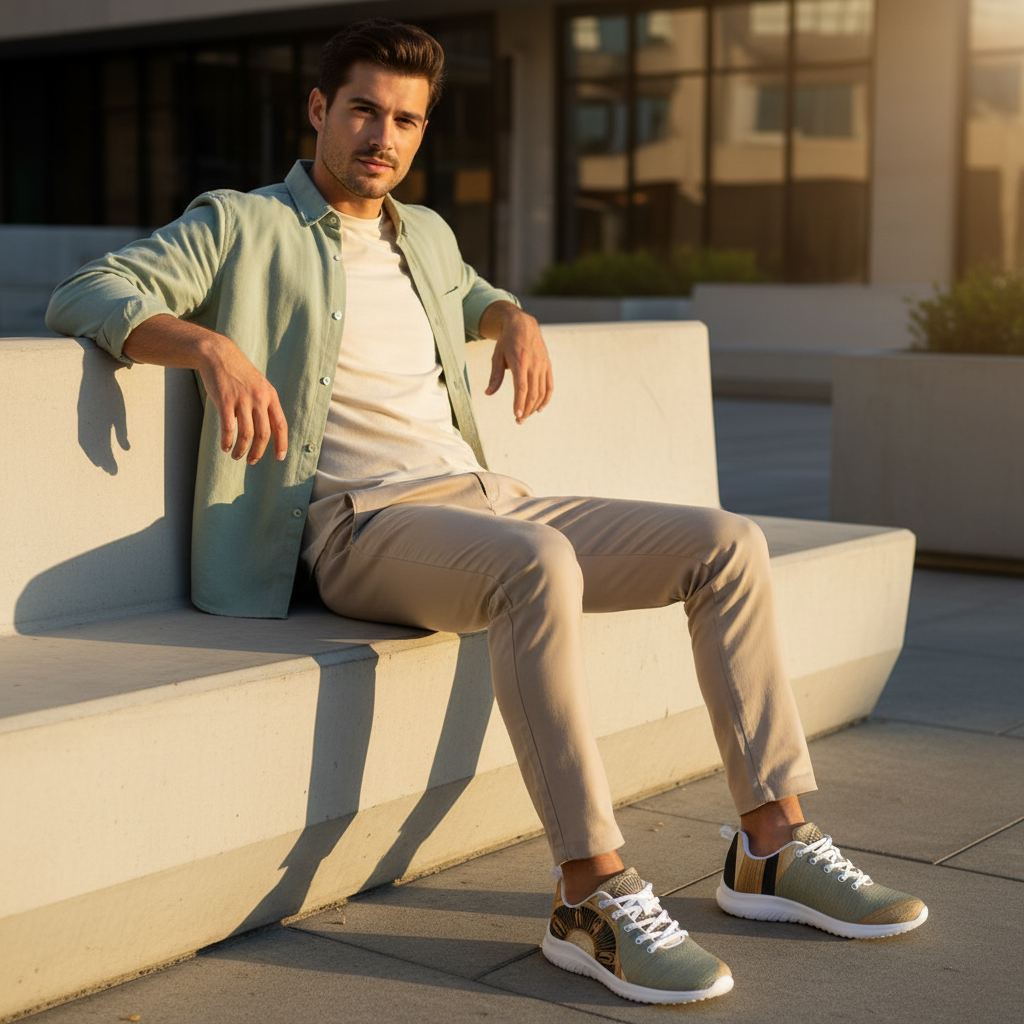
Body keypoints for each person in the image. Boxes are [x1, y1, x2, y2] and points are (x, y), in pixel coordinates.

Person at [47, 18, 927, 1006]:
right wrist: (209, 348)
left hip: (483, 498)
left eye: (407, 120)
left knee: (727, 543)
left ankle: (772, 843)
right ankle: (589, 888)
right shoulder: (239, 223)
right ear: (319, 111)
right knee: (536, 563)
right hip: (356, 525)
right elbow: (90, 288)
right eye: (365, 112)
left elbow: (466, 289)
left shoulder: (423, 230)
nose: (384, 136)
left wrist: (510, 314)